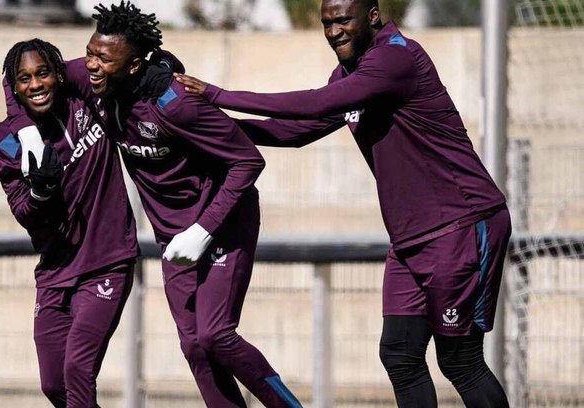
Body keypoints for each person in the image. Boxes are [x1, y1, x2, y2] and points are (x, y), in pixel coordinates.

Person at [174, 0, 512, 406]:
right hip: (411, 239)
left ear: (372, 16)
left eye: (342, 20)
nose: (333, 31)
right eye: (326, 23)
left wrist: (218, 95)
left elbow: (316, 104)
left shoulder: (395, 60)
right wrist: (209, 131)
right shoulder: (352, 74)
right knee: (400, 355)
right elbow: (297, 130)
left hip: (461, 224)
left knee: (460, 360)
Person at [3, 3, 303, 407]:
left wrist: (203, 229)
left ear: (132, 67)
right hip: (171, 237)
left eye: (103, 59)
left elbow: (248, 160)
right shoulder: (95, 80)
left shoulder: (174, 101)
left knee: (216, 334)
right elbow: (23, 74)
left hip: (221, 221)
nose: (90, 65)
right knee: (195, 347)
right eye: (90, 52)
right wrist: (26, 131)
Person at [0, 39, 140, 407]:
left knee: (78, 369)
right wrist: (41, 191)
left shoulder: (88, 101)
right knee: (54, 384)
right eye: (24, 79)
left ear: (58, 74)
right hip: (55, 273)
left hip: (107, 262)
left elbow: (102, 65)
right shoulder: (7, 141)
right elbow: (23, 211)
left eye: (43, 73)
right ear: (15, 87)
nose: (35, 84)